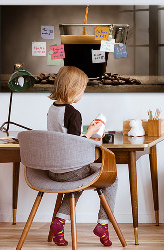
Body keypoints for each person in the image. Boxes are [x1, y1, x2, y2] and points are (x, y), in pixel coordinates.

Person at [47, 66, 117, 247]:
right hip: (70, 170)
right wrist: (92, 132)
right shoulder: (73, 113)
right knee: (112, 178)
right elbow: (75, 145)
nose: (82, 93)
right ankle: (103, 224)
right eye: (83, 89)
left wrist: (86, 133)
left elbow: (64, 138)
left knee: (77, 181)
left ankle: (59, 222)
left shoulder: (52, 109)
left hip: (53, 170)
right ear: (74, 89)